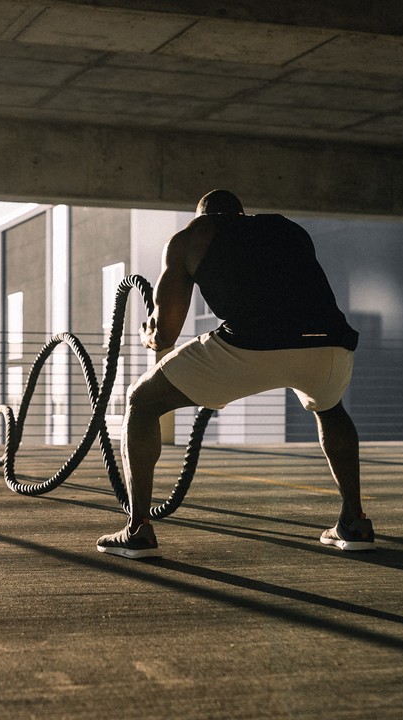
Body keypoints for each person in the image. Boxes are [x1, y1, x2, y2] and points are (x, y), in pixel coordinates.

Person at [96, 189, 374, 559]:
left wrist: (151, 334)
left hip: (250, 346)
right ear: (241, 214)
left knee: (141, 401)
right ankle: (354, 522)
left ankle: (138, 529)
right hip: (329, 343)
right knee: (330, 409)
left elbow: (166, 332)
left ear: (201, 216)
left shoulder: (191, 237)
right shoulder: (287, 229)